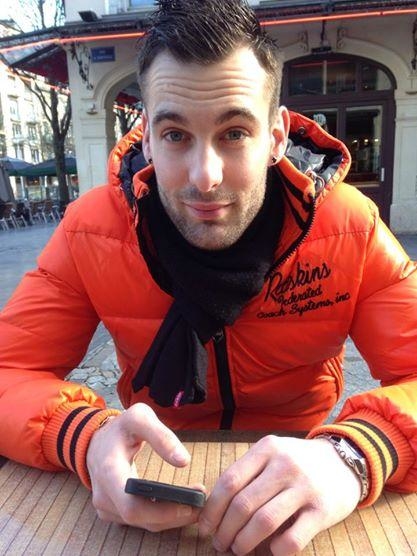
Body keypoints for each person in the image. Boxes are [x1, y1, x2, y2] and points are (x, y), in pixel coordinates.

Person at [1, 0, 417, 553]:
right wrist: (83, 436)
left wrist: (357, 454)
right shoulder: (91, 230)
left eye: (235, 133)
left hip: (305, 463)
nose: (204, 177)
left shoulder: (348, 226)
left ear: (276, 136)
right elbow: (8, 371)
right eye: (176, 135)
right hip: (153, 469)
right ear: (147, 137)